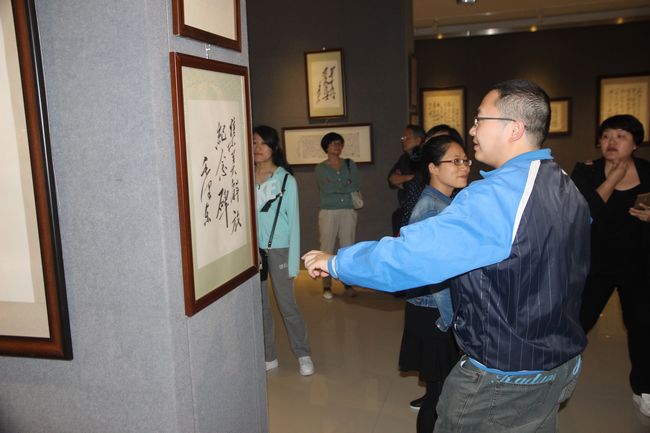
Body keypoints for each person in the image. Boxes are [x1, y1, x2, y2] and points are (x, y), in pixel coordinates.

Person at [303, 79, 590, 432]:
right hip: (557, 362)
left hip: (504, 377)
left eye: (480, 119)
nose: (472, 129)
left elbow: (411, 257)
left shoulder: (495, 197)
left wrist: (336, 262)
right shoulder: (562, 182)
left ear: (514, 128)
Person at [571, 114, 650, 417]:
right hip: (595, 264)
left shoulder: (648, 171)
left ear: (635, 143)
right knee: (576, 323)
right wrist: (613, 179)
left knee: (643, 327)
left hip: (639, 265)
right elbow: (582, 211)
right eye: (606, 136)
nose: (611, 142)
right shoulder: (586, 171)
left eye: (620, 136)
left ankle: (645, 388)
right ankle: (552, 379)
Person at [399, 135, 469, 433]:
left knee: (442, 392)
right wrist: (452, 320)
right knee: (439, 396)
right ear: (433, 168)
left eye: (465, 160)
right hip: (436, 313)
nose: (464, 166)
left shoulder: (444, 202)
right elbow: (433, 275)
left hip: (437, 310)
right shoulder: (431, 210)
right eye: (455, 161)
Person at [253, 125, 314, 376]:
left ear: (274, 147)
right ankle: (269, 356)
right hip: (253, 253)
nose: (258, 148)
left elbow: (295, 223)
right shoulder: (244, 177)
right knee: (260, 307)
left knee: (287, 306)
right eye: (254, 143)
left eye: (263, 143)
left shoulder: (286, 179)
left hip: (278, 249)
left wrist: (293, 264)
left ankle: (303, 353)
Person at [315, 132, 360, 299]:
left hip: (348, 210)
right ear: (326, 147)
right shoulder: (320, 168)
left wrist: (336, 185)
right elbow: (325, 188)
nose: (337, 146)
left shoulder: (349, 164)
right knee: (326, 248)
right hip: (328, 211)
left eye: (339, 143)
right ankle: (327, 286)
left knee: (348, 248)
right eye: (333, 143)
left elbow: (355, 184)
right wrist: (344, 184)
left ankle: (348, 284)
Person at [388, 125, 426, 235]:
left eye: (407, 138)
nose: (403, 141)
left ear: (418, 140)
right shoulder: (403, 159)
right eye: (402, 138)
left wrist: (403, 180)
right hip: (403, 210)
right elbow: (392, 179)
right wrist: (410, 178)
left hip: (422, 210)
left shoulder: (426, 158)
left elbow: (422, 180)